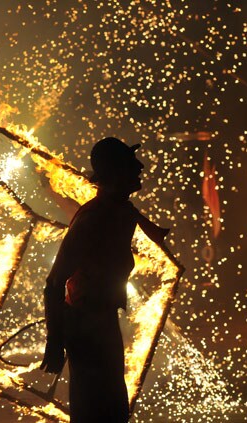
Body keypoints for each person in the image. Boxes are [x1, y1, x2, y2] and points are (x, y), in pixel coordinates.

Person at [40, 137, 168, 422]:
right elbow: (54, 282)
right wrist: (55, 340)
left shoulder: (119, 210)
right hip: (86, 326)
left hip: (102, 321)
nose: (140, 167)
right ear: (116, 173)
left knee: (112, 409)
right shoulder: (94, 219)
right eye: (130, 163)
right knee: (96, 411)